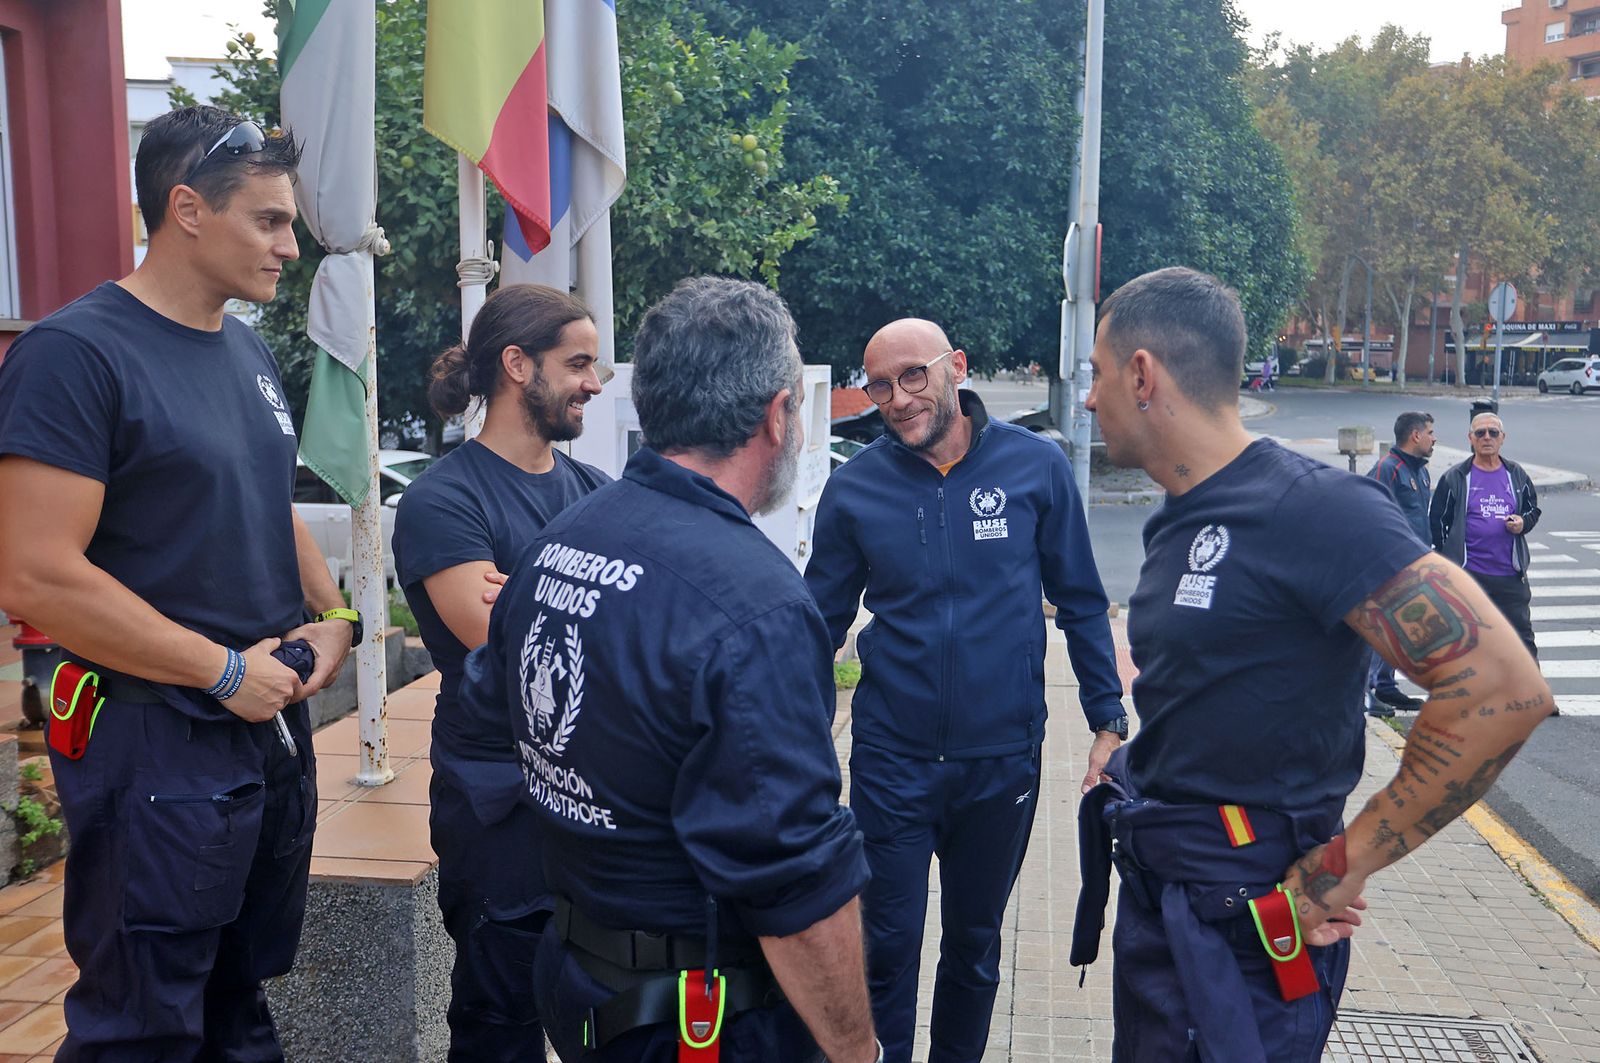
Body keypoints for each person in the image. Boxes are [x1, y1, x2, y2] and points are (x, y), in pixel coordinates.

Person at [1075, 266, 1551, 1062]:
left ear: (1142, 373)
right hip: (1166, 899)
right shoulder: (1176, 517)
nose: (1090, 398)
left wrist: (1336, 870)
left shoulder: (1314, 507)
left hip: (1248, 931)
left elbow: (1501, 689)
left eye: (1096, 374)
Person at [0, 106, 360, 1059]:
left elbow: (266, 504)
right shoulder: (76, 355)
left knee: (238, 1005)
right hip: (155, 739)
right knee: (143, 1023)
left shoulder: (244, 350)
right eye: (269, 221)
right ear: (187, 208)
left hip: (261, 733)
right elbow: (34, 572)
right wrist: (220, 670)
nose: (290, 246)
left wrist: (334, 614)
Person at [459, 276, 880, 1063]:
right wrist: (860, 1052)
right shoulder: (757, 604)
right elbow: (796, 881)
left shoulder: (558, 543)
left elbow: (495, 717)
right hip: (696, 1020)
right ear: (777, 415)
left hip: (583, 981)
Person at [805, 319, 1124, 1062]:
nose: (897, 398)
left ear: (956, 366)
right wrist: (793, 735)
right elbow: (815, 625)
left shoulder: (1035, 467)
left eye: (913, 375)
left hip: (1002, 758)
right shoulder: (854, 490)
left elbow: (1080, 599)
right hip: (891, 759)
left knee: (975, 947)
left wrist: (1107, 717)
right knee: (885, 947)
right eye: (878, 384)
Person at [391, 284, 609, 1060]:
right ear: (517, 364)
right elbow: (506, 641)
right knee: (500, 1024)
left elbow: (638, 625)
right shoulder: (443, 500)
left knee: (596, 1019)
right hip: (499, 812)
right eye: (578, 362)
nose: (595, 380)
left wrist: (531, 594)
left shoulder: (596, 494)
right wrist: (583, 603)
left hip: (593, 806)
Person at [1429, 411, 1542, 667]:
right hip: (1471, 577)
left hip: (1510, 575)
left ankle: (1535, 697)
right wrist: (1451, 564)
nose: (1487, 437)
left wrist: (1523, 523)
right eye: (1480, 433)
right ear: (1471, 438)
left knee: (1521, 638)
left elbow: (1532, 509)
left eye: (1493, 432)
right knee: (1468, 642)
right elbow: (1438, 521)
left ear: (1503, 438)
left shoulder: (1516, 474)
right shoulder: (1456, 477)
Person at [1362, 411, 1436, 717]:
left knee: (1399, 630)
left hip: (1413, 564)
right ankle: (1365, 692)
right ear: (1415, 435)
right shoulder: (1387, 469)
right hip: (1388, 565)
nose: (1434, 439)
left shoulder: (1421, 472)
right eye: (1431, 432)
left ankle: (1386, 685)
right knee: (1378, 630)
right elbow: (1369, 513)